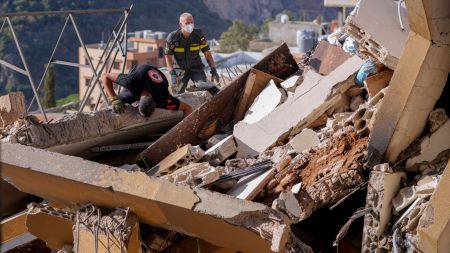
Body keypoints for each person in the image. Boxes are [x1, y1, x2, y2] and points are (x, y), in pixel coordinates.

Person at [102, 64, 192, 117]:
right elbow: (105, 76)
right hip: (140, 70)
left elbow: (188, 108)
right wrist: (113, 99)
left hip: (159, 77)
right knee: (116, 104)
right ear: (138, 101)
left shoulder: (164, 99)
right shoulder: (131, 81)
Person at [165, 12, 220, 94]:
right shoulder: (173, 37)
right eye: (187, 23)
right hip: (180, 70)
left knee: (205, 87)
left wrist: (213, 68)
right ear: (181, 25)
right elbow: (168, 56)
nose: (190, 25)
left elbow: (207, 53)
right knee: (177, 92)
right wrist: (172, 72)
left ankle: (198, 91)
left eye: (192, 22)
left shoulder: (198, 35)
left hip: (196, 68)